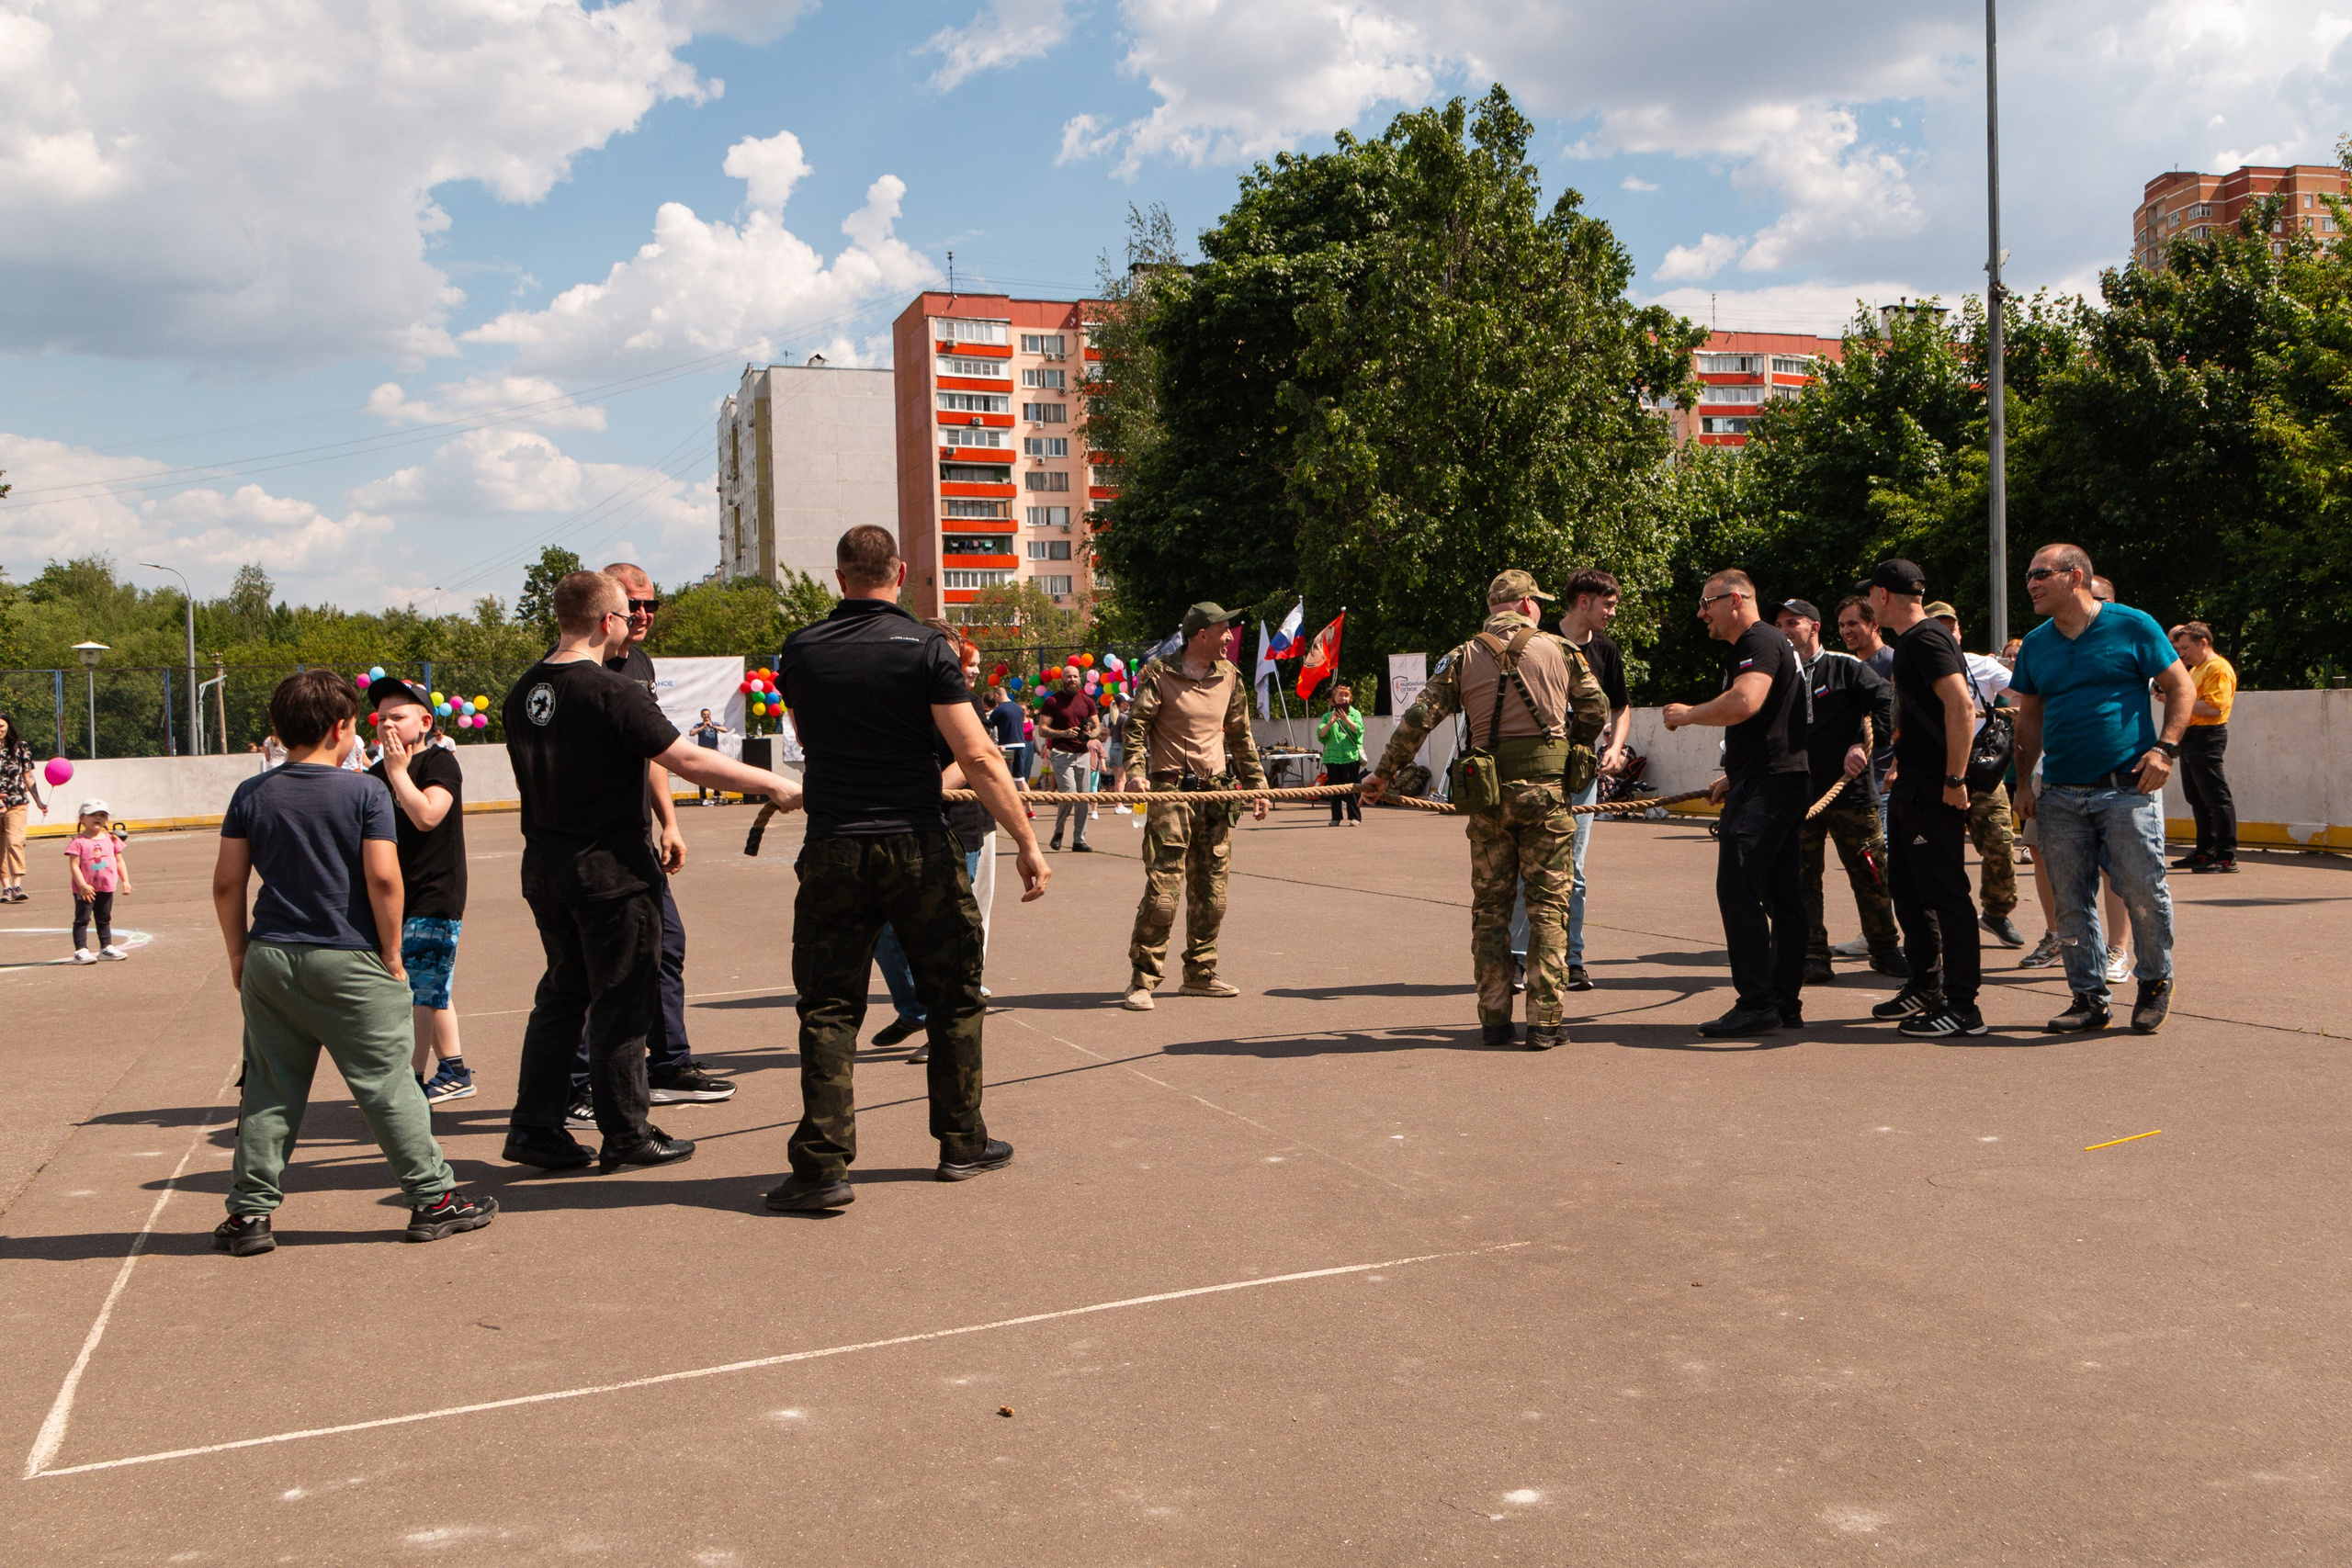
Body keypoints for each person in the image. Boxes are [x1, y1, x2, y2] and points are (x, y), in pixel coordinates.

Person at [765, 525, 1046, 1213]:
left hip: (834, 844)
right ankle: (961, 1141)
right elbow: (978, 756)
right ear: (901, 572)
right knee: (954, 993)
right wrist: (1027, 841)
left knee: (829, 1005)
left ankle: (823, 1167)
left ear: (838, 579)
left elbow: (806, 738)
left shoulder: (800, 649)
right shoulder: (924, 646)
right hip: (917, 841)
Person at [501, 571, 800, 1172]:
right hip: (610, 872)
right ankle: (626, 1132)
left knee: (561, 998)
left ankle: (534, 1125)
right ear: (605, 621)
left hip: (547, 867)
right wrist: (773, 782)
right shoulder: (611, 690)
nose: (630, 625)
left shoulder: (524, 691)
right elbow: (684, 758)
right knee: (622, 1002)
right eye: (624, 615)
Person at [209, 669, 493, 1255]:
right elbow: (385, 878)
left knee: (268, 1088)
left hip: (271, 952)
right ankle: (433, 1200)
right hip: (349, 956)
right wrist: (391, 952)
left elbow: (226, 885)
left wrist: (240, 951)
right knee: (388, 1084)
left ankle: (250, 1216)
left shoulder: (251, 793)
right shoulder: (363, 792)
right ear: (341, 729)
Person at [1367, 570, 1604, 1046]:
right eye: (1536, 601)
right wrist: (1569, 748)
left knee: (1491, 911)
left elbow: (1419, 718)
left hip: (1489, 798)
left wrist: (1384, 773)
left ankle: (1494, 1019)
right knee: (1548, 909)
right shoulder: (1561, 650)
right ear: (1525, 605)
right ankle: (1545, 1022)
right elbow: (1595, 709)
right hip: (1547, 798)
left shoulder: (1461, 656)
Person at [563, 561, 735, 1122]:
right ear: (605, 611)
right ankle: (580, 1085)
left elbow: (654, 750)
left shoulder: (638, 663)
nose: (642, 615)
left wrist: (671, 822)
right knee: (601, 965)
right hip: (594, 851)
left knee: (666, 947)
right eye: (632, 605)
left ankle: (669, 1064)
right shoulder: (576, 667)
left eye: (650, 605)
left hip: (637, 838)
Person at [2010, 544, 2196, 1033]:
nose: (2030, 583)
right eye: (2028, 575)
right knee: (2071, 900)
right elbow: (2029, 717)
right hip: (2060, 794)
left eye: (2039, 574)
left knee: (2142, 891)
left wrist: (2165, 749)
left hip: (2126, 790)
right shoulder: (2035, 643)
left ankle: (2155, 982)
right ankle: (2088, 997)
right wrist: (2024, 785)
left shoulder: (2132, 625)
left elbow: (2182, 687)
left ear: (2074, 576)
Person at [1663, 570, 1812, 1036]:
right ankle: (1783, 1001)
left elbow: (1746, 702)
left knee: (1739, 889)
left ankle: (1757, 1002)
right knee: (1785, 897)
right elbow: (1769, 721)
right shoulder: (1769, 643)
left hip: (1769, 789)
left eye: (1706, 603)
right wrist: (1736, 775)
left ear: (1734, 599)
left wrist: (1688, 715)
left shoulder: (1758, 641)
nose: (1701, 614)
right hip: (1777, 780)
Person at [1113, 603, 1270, 1011]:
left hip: (1216, 795)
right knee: (1164, 893)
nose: (1231, 638)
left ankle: (1200, 974)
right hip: (1170, 794)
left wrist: (1258, 786)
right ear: (1201, 634)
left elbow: (1241, 736)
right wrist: (1134, 771)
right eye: (1224, 631)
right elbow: (1136, 730)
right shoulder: (1160, 673)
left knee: (1212, 895)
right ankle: (1143, 980)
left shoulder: (1229, 677)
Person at [1857, 560, 1986, 1037]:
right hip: (1912, 781)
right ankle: (1925, 984)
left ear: (1883, 595)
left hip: (1935, 786)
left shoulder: (1927, 639)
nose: (1869, 604)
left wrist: (1954, 778)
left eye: (1870, 595)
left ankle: (1963, 1007)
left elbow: (1961, 705)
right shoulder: (1914, 641)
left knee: (1947, 893)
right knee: (1910, 890)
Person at [872, 626, 1001, 1061]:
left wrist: (922, 792)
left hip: (959, 829)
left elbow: (973, 760)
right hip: (907, 827)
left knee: (948, 936)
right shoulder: (904, 698)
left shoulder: (962, 702)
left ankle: (944, 1031)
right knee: (882, 926)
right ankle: (916, 1008)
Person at [1771, 598, 1903, 985]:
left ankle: (1884, 948)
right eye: (1779, 624)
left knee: (1871, 872)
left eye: (1792, 622)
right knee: (1801, 878)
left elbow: (1887, 704)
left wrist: (1864, 744)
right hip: (1799, 794)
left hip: (1852, 794)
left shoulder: (1847, 668)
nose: (1785, 630)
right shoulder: (1777, 675)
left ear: (1814, 627)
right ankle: (1812, 954)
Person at [366, 680, 472, 1104]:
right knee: (433, 985)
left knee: (418, 991)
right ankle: (455, 1069)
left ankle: (410, 1083)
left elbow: (428, 815)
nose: (387, 724)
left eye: (398, 716)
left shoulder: (439, 763)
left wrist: (396, 773)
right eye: (382, 718)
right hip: (396, 897)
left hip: (436, 892)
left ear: (426, 722)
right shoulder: (374, 775)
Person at [1924, 602, 2026, 948]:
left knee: (2000, 841)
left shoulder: (1981, 665)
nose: (1947, 633)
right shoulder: (1917, 666)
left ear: (1959, 631)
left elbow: (2024, 695)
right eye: (1937, 627)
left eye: (1950, 627)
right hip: (1934, 769)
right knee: (1936, 851)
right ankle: (1938, 921)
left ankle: (1997, 911)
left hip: (1981, 771)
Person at [2169, 622, 2238, 873]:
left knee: (2215, 797)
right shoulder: (2197, 668)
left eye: (2185, 647)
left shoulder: (2217, 668)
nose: (2181, 653)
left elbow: (2213, 707)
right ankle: (2205, 851)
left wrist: (2175, 700)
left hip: (2207, 735)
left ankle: (2226, 854)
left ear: (2203, 643)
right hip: (2193, 735)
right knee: (2197, 797)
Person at [1039, 668, 1098, 852]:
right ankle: (1059, 831)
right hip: (1060, 753)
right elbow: (1042, 729)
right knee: (1070, 793)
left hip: (1083, 754)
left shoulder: (1087, 701)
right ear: (1062, 679)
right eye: (1068, 676)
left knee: (1083, 798)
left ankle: (1079, 840)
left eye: (1075, 676)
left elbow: (1097, 727)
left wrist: (1089, 735)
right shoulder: (1052, 701)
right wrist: (1063, 733)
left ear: (1079, 679)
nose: (1072, 679)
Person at [64, 800, 130, 963]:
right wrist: (83, 886)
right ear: (81, 818)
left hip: (106, 886)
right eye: (93, 815)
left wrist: (125, 880)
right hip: (85, 889)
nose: (98, 818)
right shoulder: (78, 842)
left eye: (102, 815)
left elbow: (120, 861)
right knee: (82, 919)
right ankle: (81, 951)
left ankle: (106, 948)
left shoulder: (112, 840)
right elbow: (74, 866)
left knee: (104, 917)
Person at [0, 712, 48, 901]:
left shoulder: (21, 747)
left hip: (17, 803)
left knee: (14, 842)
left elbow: (28, 776)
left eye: (2, 726)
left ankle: (17, 886)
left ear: (8, 726)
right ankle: (6, 887)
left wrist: (39, 801)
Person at [1318, 684, 1365, 825]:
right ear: (1334, 698)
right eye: (1340, 695)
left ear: (1350, 699)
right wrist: (1329, 724)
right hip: (1332, 757)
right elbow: (1321, 735)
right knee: (1334, 789)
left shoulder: (1354, 713)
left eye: (1346, 696)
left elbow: (1359, 730)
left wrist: (1346, 719)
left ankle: (1355, 817)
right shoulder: (1327, 716)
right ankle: (1336, 817)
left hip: (1350, 756)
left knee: (1352, 788)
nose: (1343, 698)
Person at [689, 707, 737, 806]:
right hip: (702, 753)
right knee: (702, 775)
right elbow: (691, 733)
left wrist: (714, 727)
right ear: (702, 716)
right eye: (704, 714)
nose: (706, 716)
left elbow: (725, 729)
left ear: (710, 715)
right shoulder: (699, 725)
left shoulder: (715, 723)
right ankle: (703, 796)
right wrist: (703, 727)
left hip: (714, 752)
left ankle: (717, 794)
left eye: (707, 714)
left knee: (716, 773)